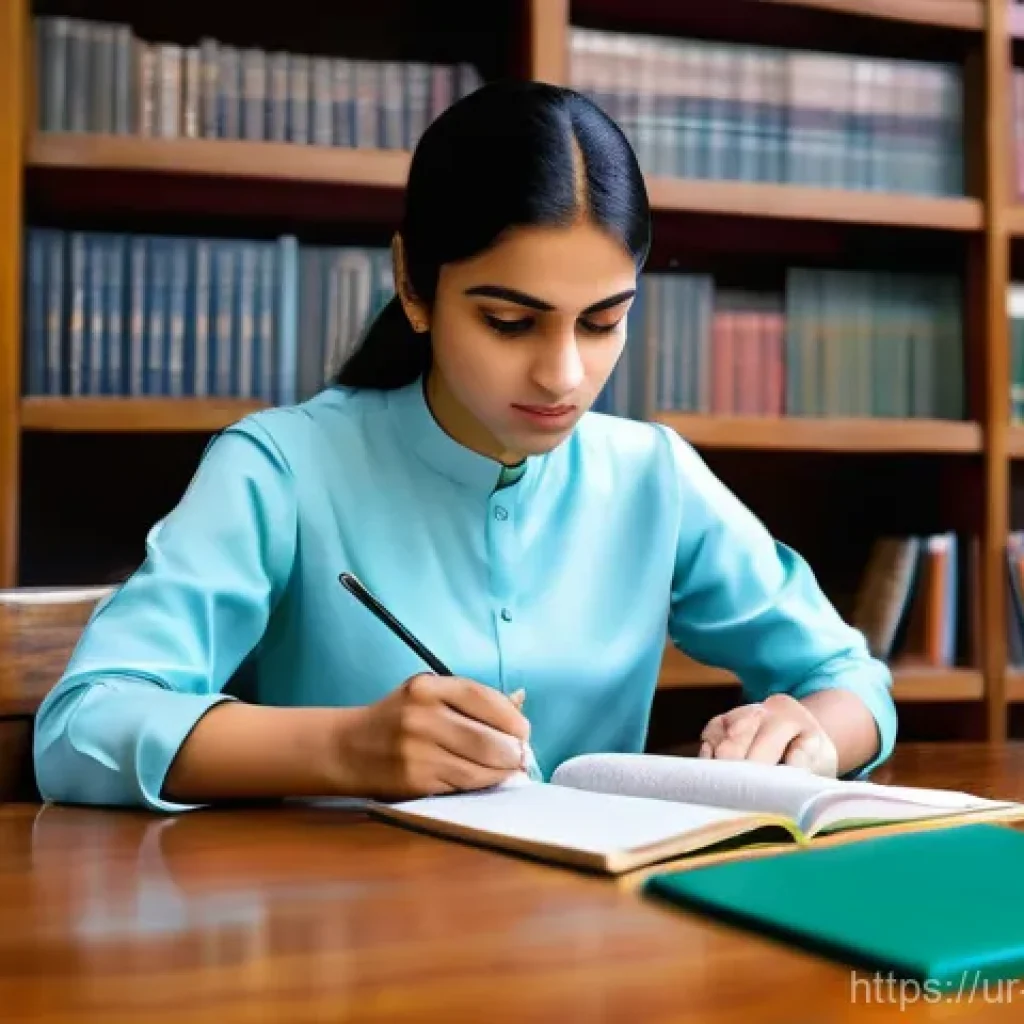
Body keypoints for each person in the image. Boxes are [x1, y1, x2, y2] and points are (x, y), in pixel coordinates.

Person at [33, 81, 896, 812]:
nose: (563, 375)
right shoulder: (283, 469)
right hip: (342, 952)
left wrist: (809, 732)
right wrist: (347, 748)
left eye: (603, 322)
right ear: (413, 283)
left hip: (605, 957)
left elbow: (854, 681)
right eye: (509, 321)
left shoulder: (654, 478)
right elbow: (81, 728)